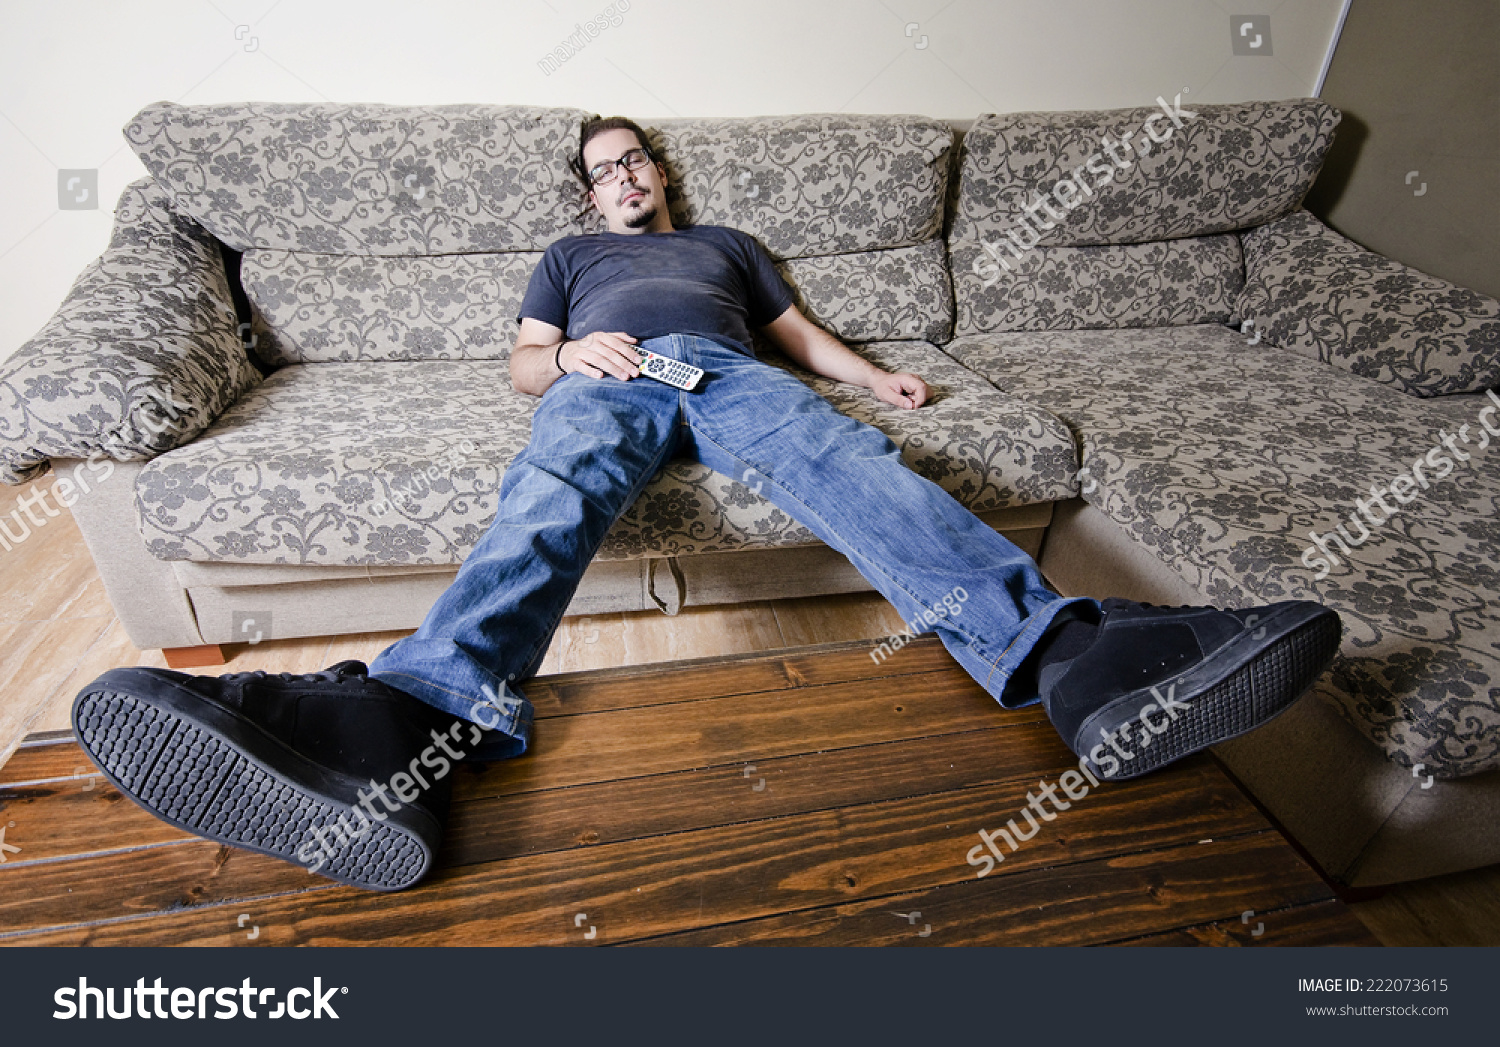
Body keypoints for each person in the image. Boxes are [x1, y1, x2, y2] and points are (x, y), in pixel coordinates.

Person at [71, 117, 1342, 893]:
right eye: (602, 170)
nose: (624, 179)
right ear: (586, 196)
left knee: (852, 469)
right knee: (558, 486)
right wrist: (570, 356)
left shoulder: (724, 244)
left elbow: (798, 332)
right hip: (610, 377)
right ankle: (405, 727)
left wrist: (879, 377)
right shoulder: (573, 261)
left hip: (729, 372)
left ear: (661, 176)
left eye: (636, 162)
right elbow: (522, 360)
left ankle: (1073, 656)